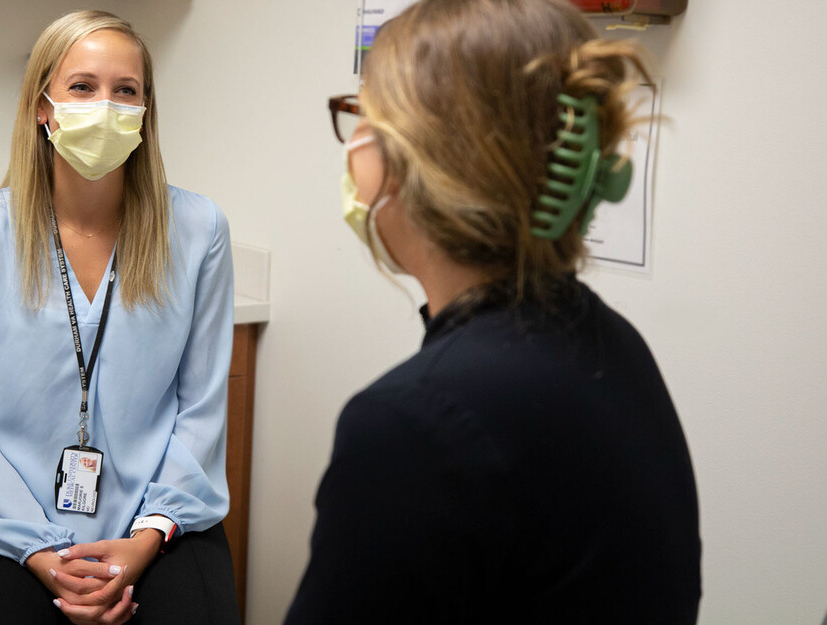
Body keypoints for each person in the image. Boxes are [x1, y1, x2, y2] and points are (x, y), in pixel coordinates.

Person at [285, 0, 701, 623]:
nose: (353, 149)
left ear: (431, 163)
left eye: (365, 117)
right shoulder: (611, 343)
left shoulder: (412, 424)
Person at [0, 10, 238, 625]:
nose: (107, 105)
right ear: (42, 108)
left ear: (146, 111)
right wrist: (43, 553)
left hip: (157, 519)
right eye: (83, 87)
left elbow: (201, 411)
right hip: (17, 522)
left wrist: (145, 540)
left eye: (125, 91)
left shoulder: (199, 230)